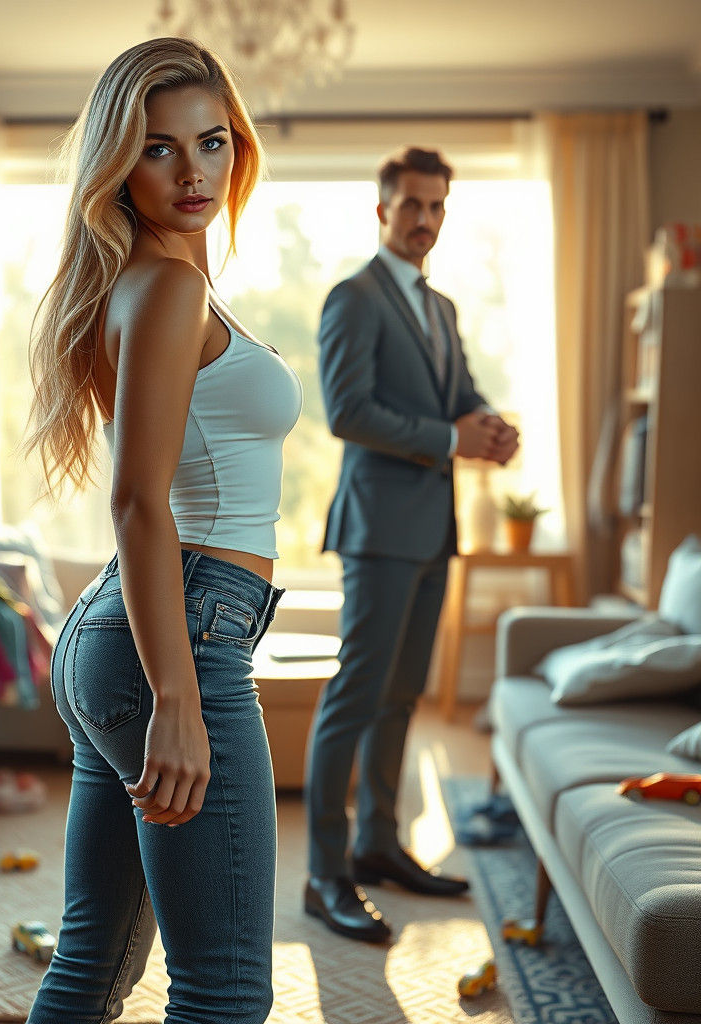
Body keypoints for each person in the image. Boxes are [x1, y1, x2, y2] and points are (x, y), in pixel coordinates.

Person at [23, 38, 302, 1024]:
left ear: (237, 149)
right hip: (177, 636)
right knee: (223, 991)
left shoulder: (148, 278)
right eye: (158, 149)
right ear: (117, 163)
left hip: (124, 631)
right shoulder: (169, 286)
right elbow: (139, 499)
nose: (193, 173)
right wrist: (177, 697)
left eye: (212, 143)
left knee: (91, 965)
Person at [304, 146, 520, 942]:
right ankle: (325, 875)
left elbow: (458, 397)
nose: (425, 220)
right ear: (383, 211)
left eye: (437, 208)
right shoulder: (352, 299)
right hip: (378, 529)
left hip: (434, 528)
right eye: (412, 206)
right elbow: (346, 412)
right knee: (356, 694)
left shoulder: (442, 307)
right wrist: (450, 436)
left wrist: (490, 427)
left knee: (402, 696)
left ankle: (377, 845)